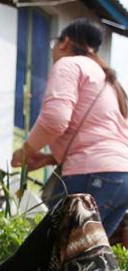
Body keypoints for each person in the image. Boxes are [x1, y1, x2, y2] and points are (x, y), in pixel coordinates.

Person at [11, 18, 128, 238]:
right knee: (88, 262)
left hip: (93, 176)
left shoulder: (68, 64)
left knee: (52, 254)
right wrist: (49, 158)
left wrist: (25, 150)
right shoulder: (107, 79)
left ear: (64, 42)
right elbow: (105, 135)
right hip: (121, 179)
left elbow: (55, 120)